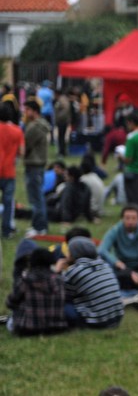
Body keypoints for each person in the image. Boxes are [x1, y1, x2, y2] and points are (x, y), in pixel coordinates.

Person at [56, 237, 124, 329]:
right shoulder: (105, 264)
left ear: (74, 253)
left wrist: (57, 272)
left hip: (98, 322)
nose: (66, 254)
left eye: (69, 251)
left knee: (61, 306)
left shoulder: (75, 271)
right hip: (116, 318)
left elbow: (60, 294)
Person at [5, 248, 68, 335]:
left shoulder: (25, 280)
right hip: (56, 327)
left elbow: (10, 302)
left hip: (27, 329)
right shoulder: (59, 280)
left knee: (11, 319)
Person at [23, 100, 51, 237]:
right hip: (38, 164)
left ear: (34, 111)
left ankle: (39, 227)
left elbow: (25, 143)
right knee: (38, 196)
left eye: (27, 109)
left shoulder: (35, 127)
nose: (25, 113)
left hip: (34, 164)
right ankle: (40, 225)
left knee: (36, 198)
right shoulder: (41, 125)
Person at [0, 104, 24, 238]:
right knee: (8, 203)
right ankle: (6, 230)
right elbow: (21, 152)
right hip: (9, 172)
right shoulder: (17, 131)